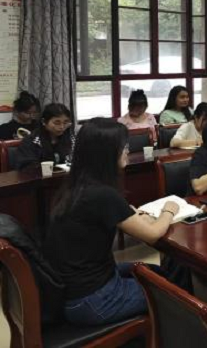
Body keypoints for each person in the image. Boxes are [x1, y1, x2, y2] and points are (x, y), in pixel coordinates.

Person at [44, 118, 180, 326]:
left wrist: (127, 214)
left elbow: (102, 219)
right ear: (106, 153)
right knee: (173, 293)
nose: (127, 150)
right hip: (91, 299)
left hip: (71, 289)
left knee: (157, 272)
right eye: (123, 147)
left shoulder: (76, 186)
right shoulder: (103, 194)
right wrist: (169, 209)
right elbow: (153, 235)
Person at [16, 103, 75, 170]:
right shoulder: (32, 142)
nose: (62, 127)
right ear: (44, 122)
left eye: (65, 122)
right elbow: (27, 167)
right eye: (57, 123)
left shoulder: (71, 139)